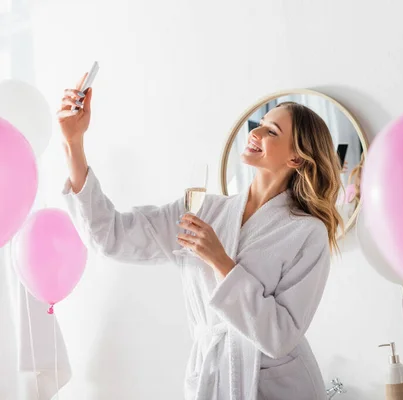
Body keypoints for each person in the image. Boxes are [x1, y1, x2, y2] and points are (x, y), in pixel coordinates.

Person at [57, 74, 343, 400]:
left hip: (277, 387)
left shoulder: (307, 232)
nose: (256, 132)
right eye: (261, 123)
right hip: (210, 376)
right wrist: (74, 143)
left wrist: (220, 260)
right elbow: (109, 236)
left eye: (272, 131)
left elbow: (280, 336)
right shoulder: (202, 209)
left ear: (295, 158)